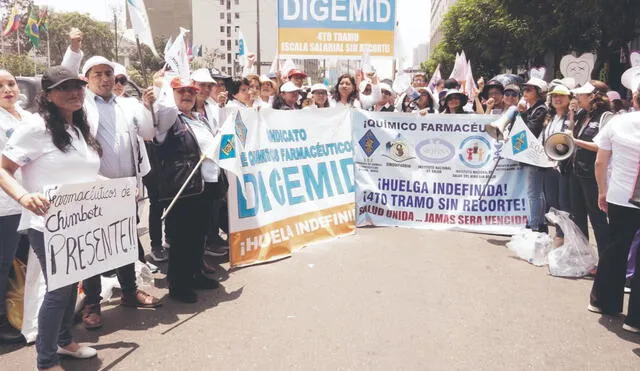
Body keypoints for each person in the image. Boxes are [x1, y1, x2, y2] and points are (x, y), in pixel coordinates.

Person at [0, 66, 99, 370]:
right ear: (48, 95)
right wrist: (24, 197)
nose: (74, 93)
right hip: (46, 224)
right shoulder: (36, 128)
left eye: (78, 87)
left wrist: (117, 191)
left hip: (78, 222)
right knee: (58, 290)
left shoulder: (79, 128)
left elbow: (84, 173)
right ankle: (45, 360)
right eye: (64, 88)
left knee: (71, 285)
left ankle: (64, 341)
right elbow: (3, 168)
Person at [61, 29, 161, 330]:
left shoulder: (126, 104)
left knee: (126, 243)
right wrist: (75, 47)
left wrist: (147, 105)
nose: (105, 79)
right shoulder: (81, 105)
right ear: (86, 79)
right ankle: (92, 302)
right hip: (95, 189)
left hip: (126, 188)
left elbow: (147, 133)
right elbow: (64, 76)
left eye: (109, 73)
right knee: (94, 248)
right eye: (97, 74)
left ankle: (129, 291)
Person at [153, 75, 222, 302]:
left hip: (205, 184)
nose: (187, 96)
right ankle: (178, 284)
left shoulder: (198, 118)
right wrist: (162, 85)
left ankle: (195, 274)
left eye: (191, 92)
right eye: (181, 91)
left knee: (198, 235)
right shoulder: (170, 119)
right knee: (181, 238)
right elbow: (163, 110)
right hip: (182, 187)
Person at [588, 78, 640, 333]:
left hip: (620, 196)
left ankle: (604, 303)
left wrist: (602, 191)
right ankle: (636, 320)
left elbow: (600, 161)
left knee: (615, 248)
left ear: (634, 98)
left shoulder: (618, 122)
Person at [0, 69, 31, 344]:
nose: (8, 89)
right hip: (6, 206)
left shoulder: (29, 117)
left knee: (30, 263)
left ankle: (27, 313)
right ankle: (1, 320)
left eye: (11, 83)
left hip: (33, 202)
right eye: (0, 86)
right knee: (3, 264)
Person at [569, 80, 611, 256]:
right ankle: (584, 257)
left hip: (593, 176)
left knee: (597, 219)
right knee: (578, 216)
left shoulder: (606, 116)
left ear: (593, 96)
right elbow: (572, 132)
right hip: (577, 171)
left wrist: (574, 141)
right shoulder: (581, 114)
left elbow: (601, 146)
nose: (578, 97)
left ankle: (605, 260)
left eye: (582, 95)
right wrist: (572, 115)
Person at [541, 84, 573, 246]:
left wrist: (573, 115)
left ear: (569, 98)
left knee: (564, 203)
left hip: (564, 167)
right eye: (554, 96)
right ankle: (560, 234)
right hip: (548, 165)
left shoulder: (571, 117)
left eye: (561, 96)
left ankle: (563, 237)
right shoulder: (550, 118)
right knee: (552, 202)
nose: (557, 99)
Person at [518, 77, 549, 232]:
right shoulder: (534, 109)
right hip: (531, 155)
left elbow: (529, 131)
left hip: (534, 155)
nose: (525, 92)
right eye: (524, 89)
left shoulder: (541, 109)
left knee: (533, 192)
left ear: (538, 92)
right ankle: (540, 222)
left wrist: (522, 114)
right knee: (536, 191)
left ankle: (534, 225)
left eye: (529, 89)